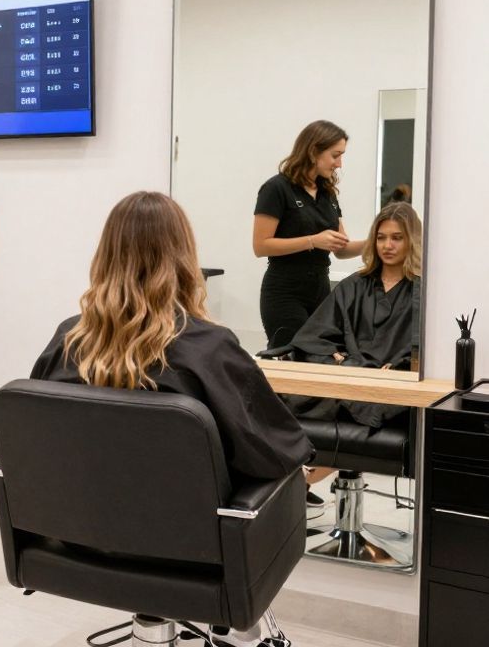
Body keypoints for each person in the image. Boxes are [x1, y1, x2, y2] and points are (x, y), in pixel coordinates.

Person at [32, 192, 309, 647]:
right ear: (183, 258)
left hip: (78, 542)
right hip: (191, 553)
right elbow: (273, 455)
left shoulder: (68, 339)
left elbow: (40, 445)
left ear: (106, 256)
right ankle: (241, 630)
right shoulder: (209, 345)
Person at [287, 201, 421, 427]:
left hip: (391, 386)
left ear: (412, 241)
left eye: (397, 238)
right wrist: (338, 359)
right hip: (351, 379)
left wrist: (400, 366)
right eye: (381, 237)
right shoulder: (353, 286)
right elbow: (311, 339)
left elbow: (421, 353)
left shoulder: (422, 292)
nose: (387, 245)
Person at [253, 120, 364, 350]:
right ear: (314, 151)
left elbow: (341, 250)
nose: (339, 163)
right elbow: (260, 246)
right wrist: (313, 241)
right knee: (292, 356)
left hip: (321, 291)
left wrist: (374, 243)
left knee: (323, 358)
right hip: (284, 292)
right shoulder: (276, 189)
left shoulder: (328, 194)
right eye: (335, 155)